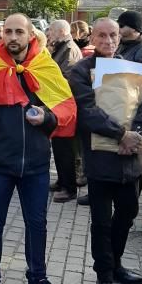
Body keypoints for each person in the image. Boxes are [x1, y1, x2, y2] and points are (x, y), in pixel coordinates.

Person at [0, 13, 77, 284]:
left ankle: (37, 280)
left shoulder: (46, 67)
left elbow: (65, 109)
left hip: (37, 165)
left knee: (37, 224)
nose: (13, 37)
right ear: (1, 35)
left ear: (31, 35)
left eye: (19, 32)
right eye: (8, 32)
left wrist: (47, 119)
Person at [69, 18, 142, 284]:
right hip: (100, 161)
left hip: (132, 159)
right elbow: (87, 111)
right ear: (92, 37)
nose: (108, 40)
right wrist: (121, 133)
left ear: (120, 37)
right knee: (102, 223)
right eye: (102, 35)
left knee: (127, 214)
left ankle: (117, 264)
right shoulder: (81, 71)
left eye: (113, 35)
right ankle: (104, 276)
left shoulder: (134, 69)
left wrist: (138, 134)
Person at [47, 20, 82, 203]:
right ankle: (62, 181)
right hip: (59, 106)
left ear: (61, 31)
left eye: (51, 30)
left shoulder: (69, 49)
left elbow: (66, 78)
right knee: (59, 149)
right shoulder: (63, 47)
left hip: (65, 107)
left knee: (66, 150)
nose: (48, 33)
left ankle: (69, 188)